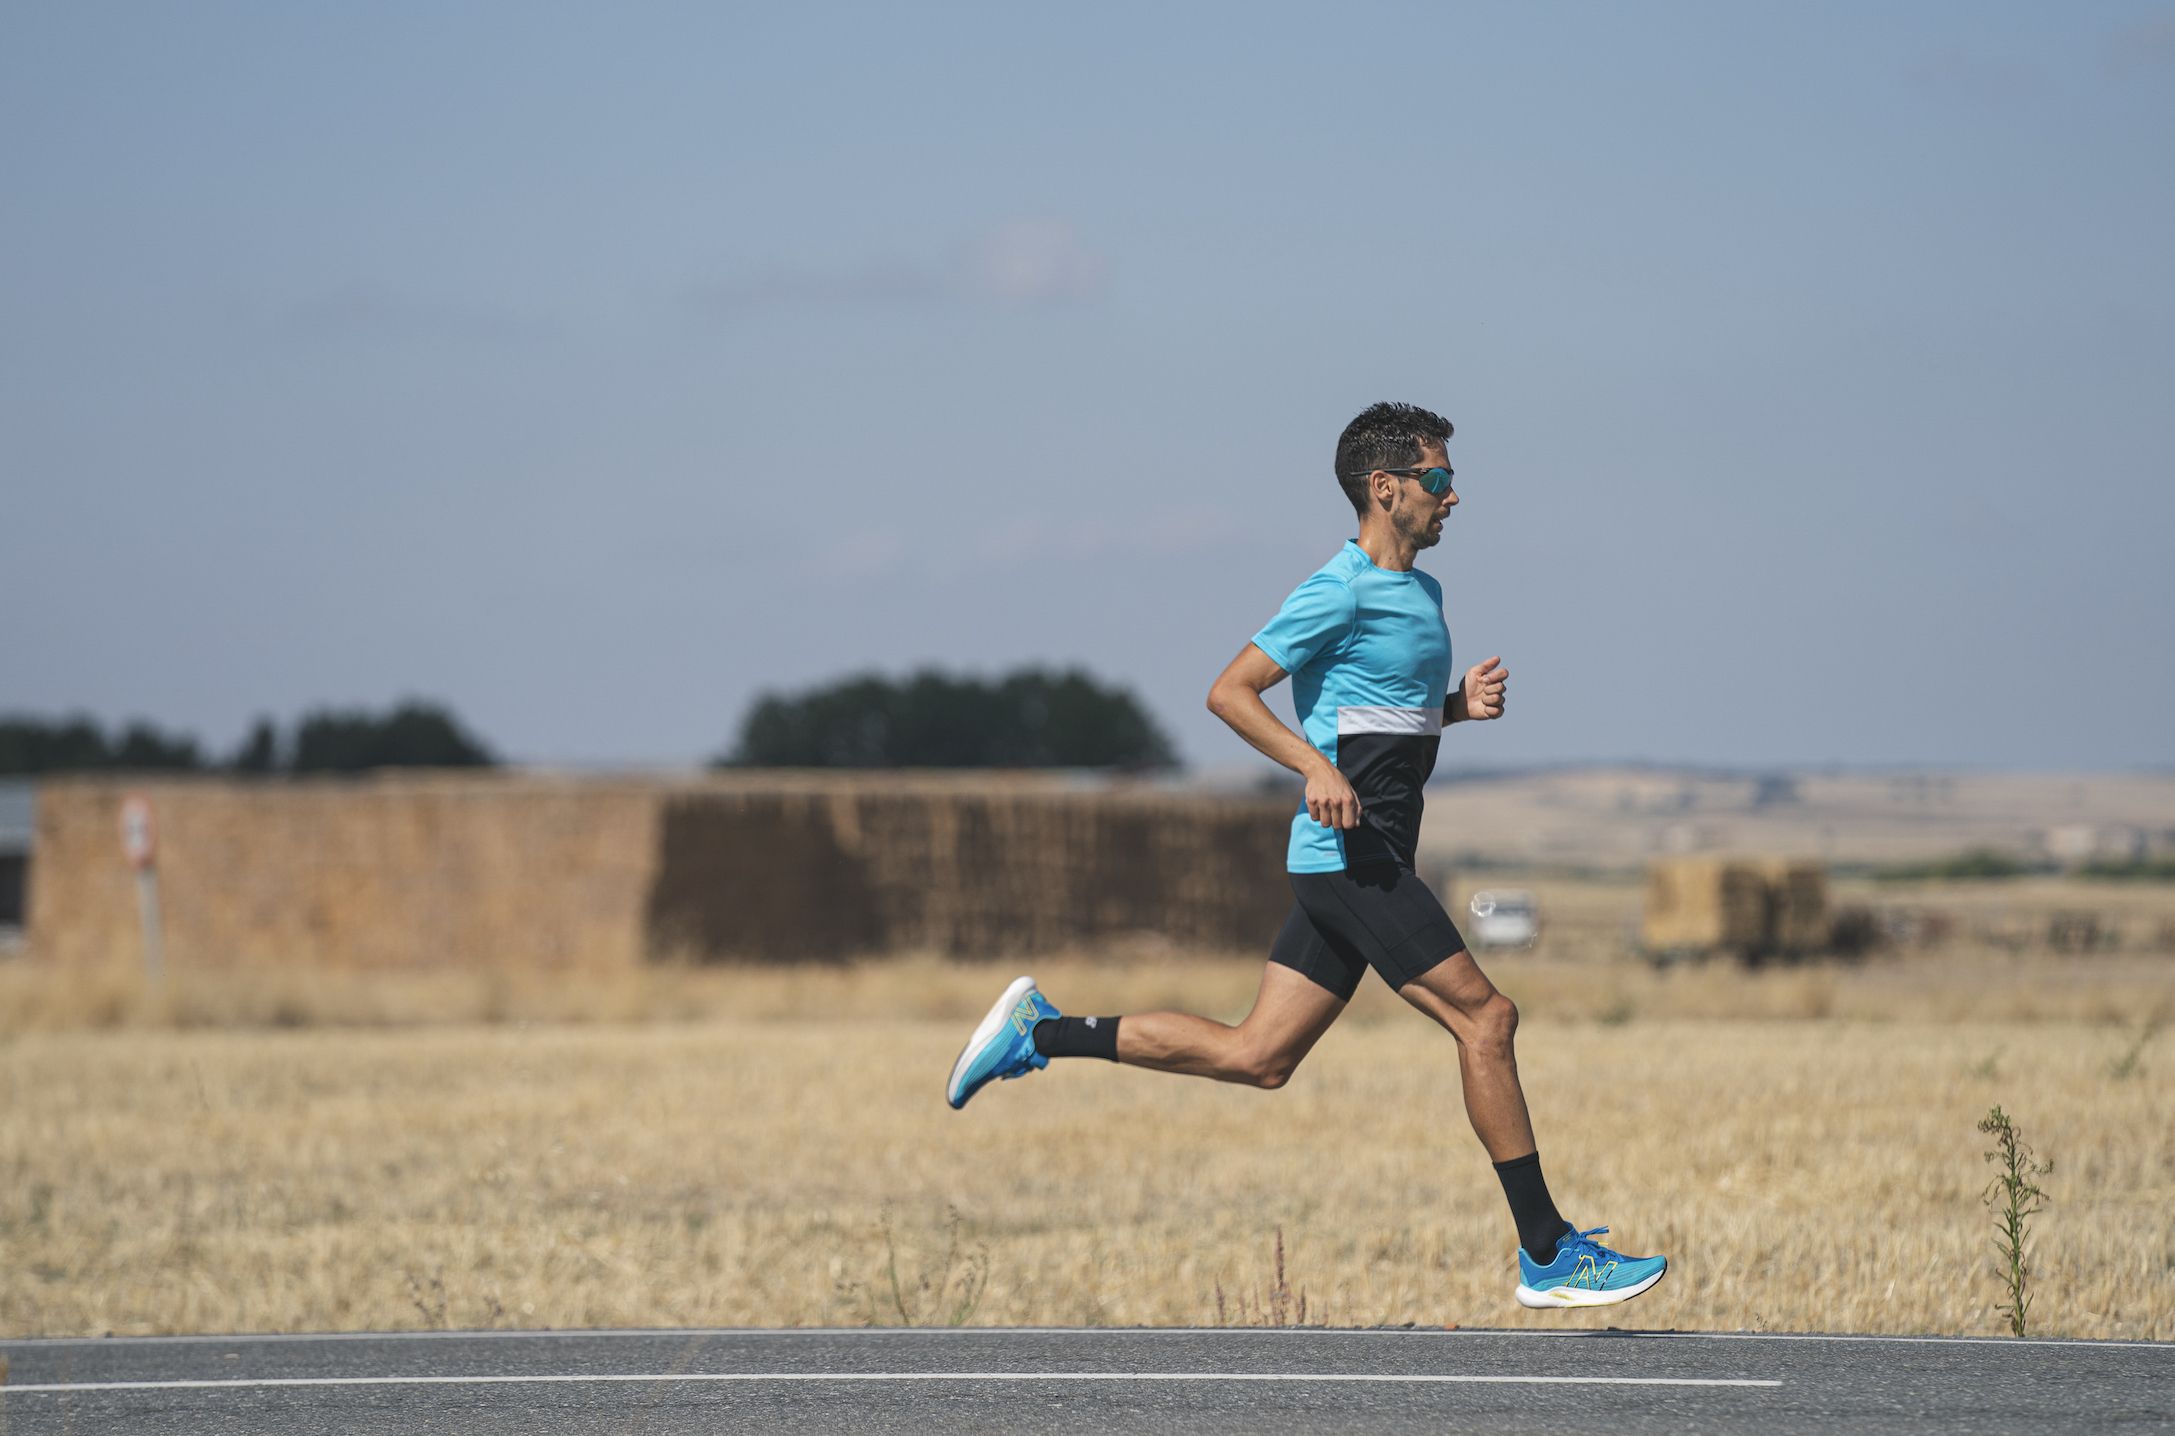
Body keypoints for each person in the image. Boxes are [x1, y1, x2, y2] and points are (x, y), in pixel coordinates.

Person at [945, 401, 1667, 1309]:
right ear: (1385, 489)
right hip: (1347, 857)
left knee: (1259, 1057)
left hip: (1363, 858)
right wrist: (1312, 766)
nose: (1454, 497)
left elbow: (1373, 714)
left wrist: (1453, 709)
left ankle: (1039, 1033)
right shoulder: (1339, 587)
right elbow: (1230, 692)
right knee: (1486, 1019)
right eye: (1439, 480)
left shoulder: (1421, 593)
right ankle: (1548, 1251)